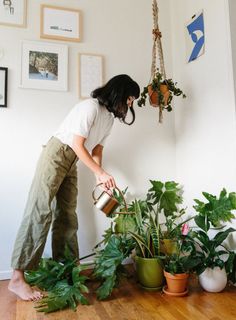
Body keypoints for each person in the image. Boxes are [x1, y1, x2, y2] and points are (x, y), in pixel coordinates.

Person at [8, 74, 140, 301]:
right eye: (129, 99)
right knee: (40, 210)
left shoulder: (108, 119)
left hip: (72, 161)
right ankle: (17, 278)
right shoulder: (90, 107)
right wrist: (99, 173)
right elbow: (77, 144)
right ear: (119, 92)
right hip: (57, 154)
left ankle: (68, 269)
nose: (130, 105)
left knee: (67, 214)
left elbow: (96, 150)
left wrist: (101, 177)